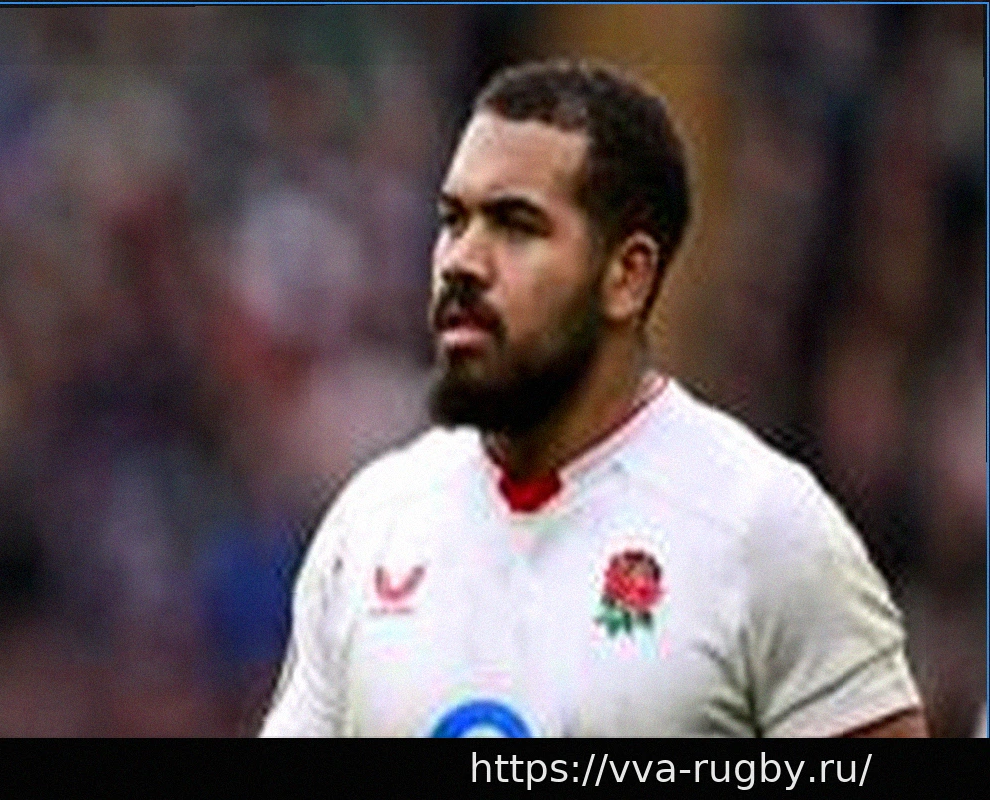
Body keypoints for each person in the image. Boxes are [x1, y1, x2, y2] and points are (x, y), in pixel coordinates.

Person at [260, 60, 926, 737]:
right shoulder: (372, 525)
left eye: (515, 224)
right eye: (453, 220)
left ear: (628, 276)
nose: (461, 261)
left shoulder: (765, 530)